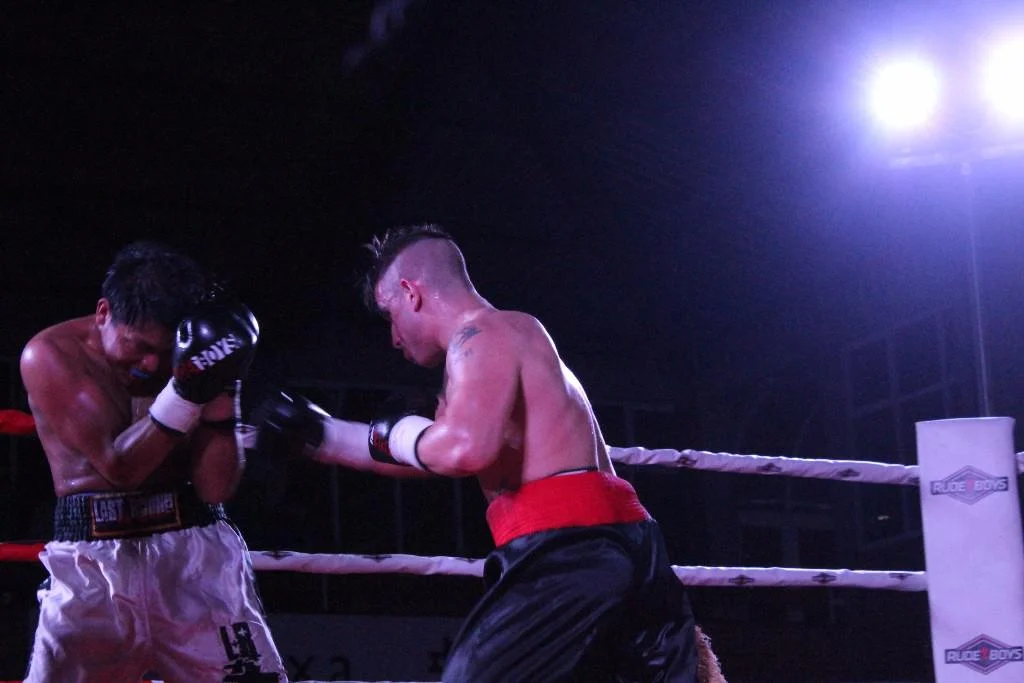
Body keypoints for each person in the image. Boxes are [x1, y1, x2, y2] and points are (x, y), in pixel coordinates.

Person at [256, 224, 701, 682]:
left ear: (410, 293)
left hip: (572, 551)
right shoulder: (503, 344)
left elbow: (463, 450)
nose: (393, 337)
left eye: (390, 315)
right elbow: (437, 455)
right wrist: (322, 435)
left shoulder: (485, 334)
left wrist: (401, 433)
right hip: (619, 545)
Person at [19, 241, 288, 683]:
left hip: (194, 553)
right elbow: (120, 469)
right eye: (138, 345)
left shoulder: (193, 353)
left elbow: (216, 489)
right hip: (94, 563)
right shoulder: (53, 355)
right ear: (103, 313)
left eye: (163, 352)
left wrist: (224, 386)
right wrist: (185, 391)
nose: (150, 364)